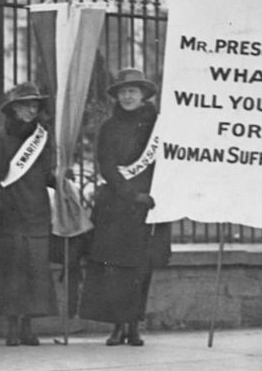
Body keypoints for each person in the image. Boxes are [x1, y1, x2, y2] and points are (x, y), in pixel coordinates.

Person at [79, 67, 171, 347]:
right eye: (123, 92)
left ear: (144, 94)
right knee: (115, 269)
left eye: (133, 91)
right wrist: (130, 194)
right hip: (117, 206)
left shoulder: (161, 126)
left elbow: (168, 162)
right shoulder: (109, 126)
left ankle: (134, 326)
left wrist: (153, 195)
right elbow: (106, 164)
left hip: (149, 207)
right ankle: (118, 326)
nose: (128, 96)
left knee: (141, 269)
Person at [0, 82, 57, 346]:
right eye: (25, 105)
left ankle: (28, 325)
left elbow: (48, 174)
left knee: (35, 272)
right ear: (13, 108)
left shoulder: (43, 137)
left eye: (34, 105)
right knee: (12, 273)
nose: (30, 110)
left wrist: (62, 181)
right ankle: (12, 326)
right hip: (9, 212)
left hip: (36, 210)